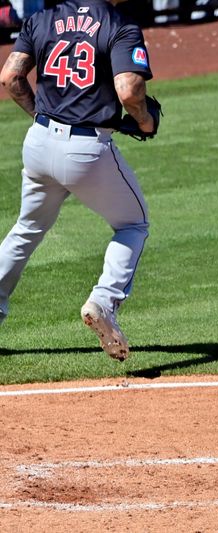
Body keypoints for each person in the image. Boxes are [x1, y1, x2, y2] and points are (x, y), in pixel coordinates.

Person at [0, 0, 156, 360]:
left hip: (38, 142)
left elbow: (10, 76)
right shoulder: (119, 24)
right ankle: (104, 300)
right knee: (133, 223)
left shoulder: (41, 19)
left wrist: (40, 113)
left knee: (27, 228)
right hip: (87, 150)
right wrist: (145, 120)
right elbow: (130, 91)